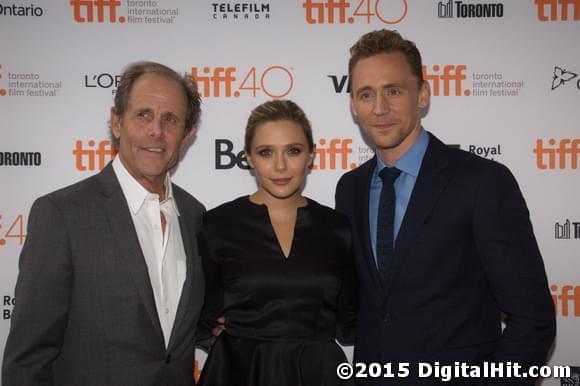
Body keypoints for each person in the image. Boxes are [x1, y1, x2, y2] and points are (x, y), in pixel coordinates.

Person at [335, 29, 556, 385]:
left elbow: (532, 319)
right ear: (353, 105)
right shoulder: (350, 189)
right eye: (366, 94)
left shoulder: (483, 181)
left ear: (422, 95)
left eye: (393, 91)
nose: (379, 108)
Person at [2, 61, 206, 386]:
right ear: (116, 121)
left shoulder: (196, 216)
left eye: (170, 119)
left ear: (187, 135)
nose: (156, 130)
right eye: (143, 115)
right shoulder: (62, 215)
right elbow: (28, 359)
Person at [198, 99, 357, 386]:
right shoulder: (217, 225)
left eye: (293, 151)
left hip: (318, 373)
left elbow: (350, 319)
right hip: (239, 372)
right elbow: (201, 312)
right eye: (266, 152)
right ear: (248, 157)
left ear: (310, 156)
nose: (281, 166)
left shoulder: (338, 228)